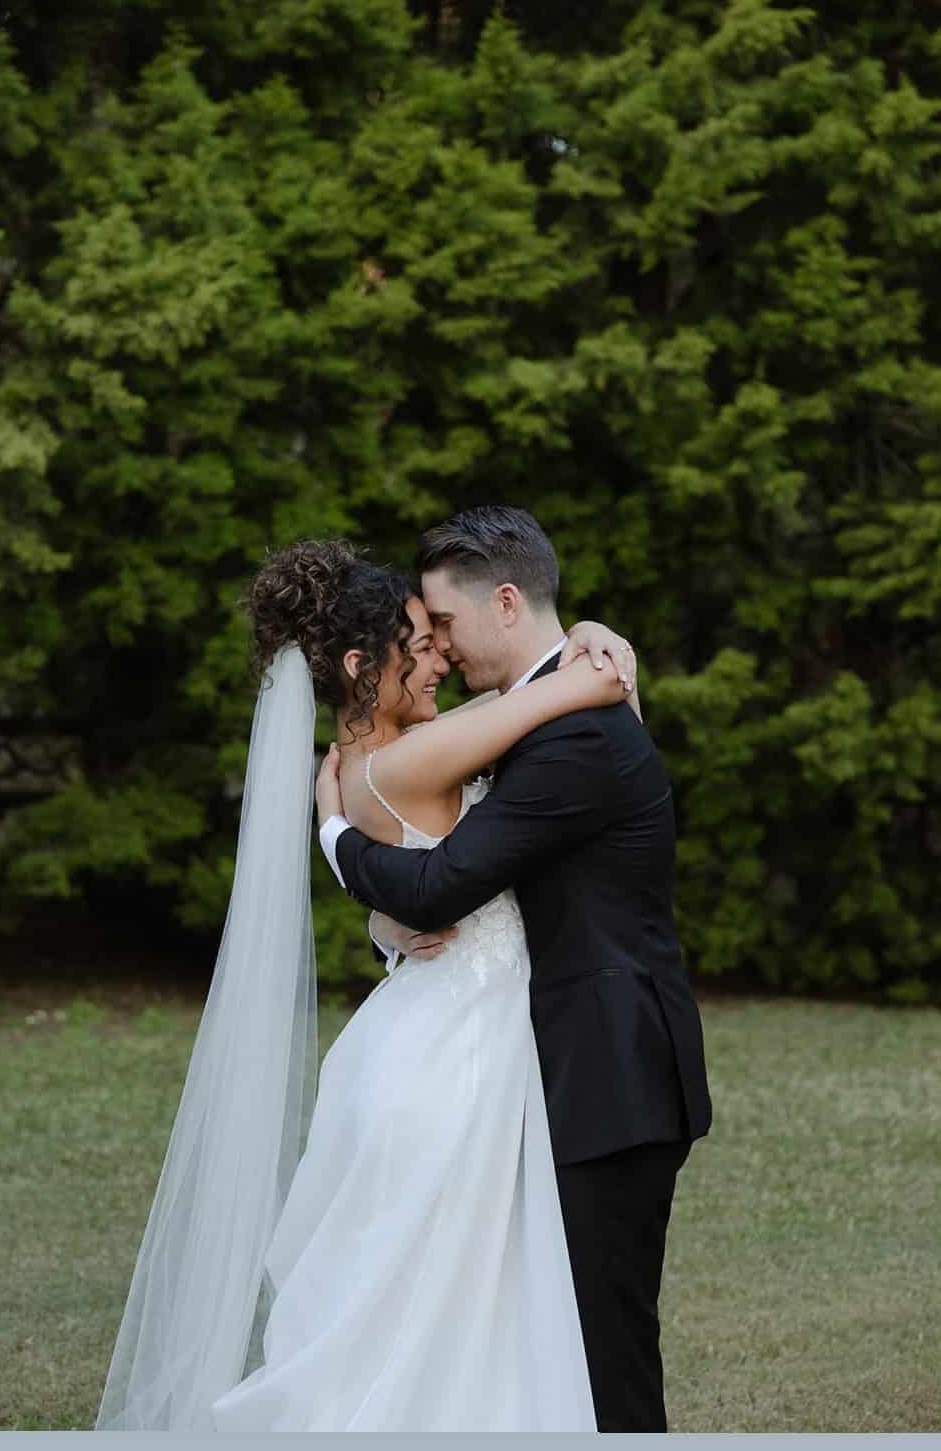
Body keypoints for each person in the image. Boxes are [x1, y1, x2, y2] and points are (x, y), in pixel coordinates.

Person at [95, 536, 633, 1433]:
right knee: (444, 1306)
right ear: (360, 664)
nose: (438, 659)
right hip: (456, 1056)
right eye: (418, 643)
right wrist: (592, 639)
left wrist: (341, 844)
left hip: (423, 1035)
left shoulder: (358, 771)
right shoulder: (413, 760)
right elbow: (578, 689)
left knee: (422, 1306)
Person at [316, 505, 713, 1434]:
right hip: (548, 1070)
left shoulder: (573, 728)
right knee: (542, 1345)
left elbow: (446, 879)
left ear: (504, 601)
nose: (441, 649)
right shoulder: (551, 704)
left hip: (609, 1077)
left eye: (445, 623)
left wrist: (334, 840)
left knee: (604, 1352)